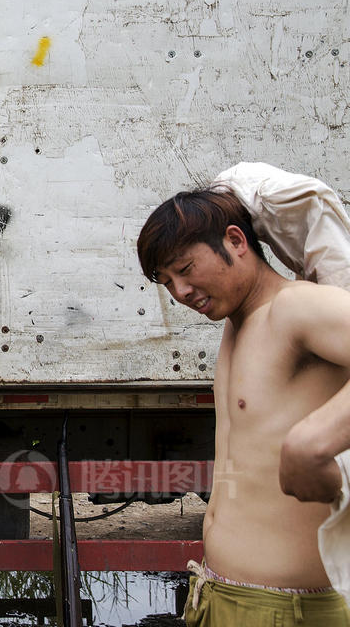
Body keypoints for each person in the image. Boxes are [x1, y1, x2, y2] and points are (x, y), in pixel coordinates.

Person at [137, 187, 350, 625]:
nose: (180, 291)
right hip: (217, 594)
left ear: (236, 241)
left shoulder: (293, 307)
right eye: (167, 281)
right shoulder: (238, 326)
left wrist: (311, 442)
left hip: (286, 611)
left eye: (185, 269)